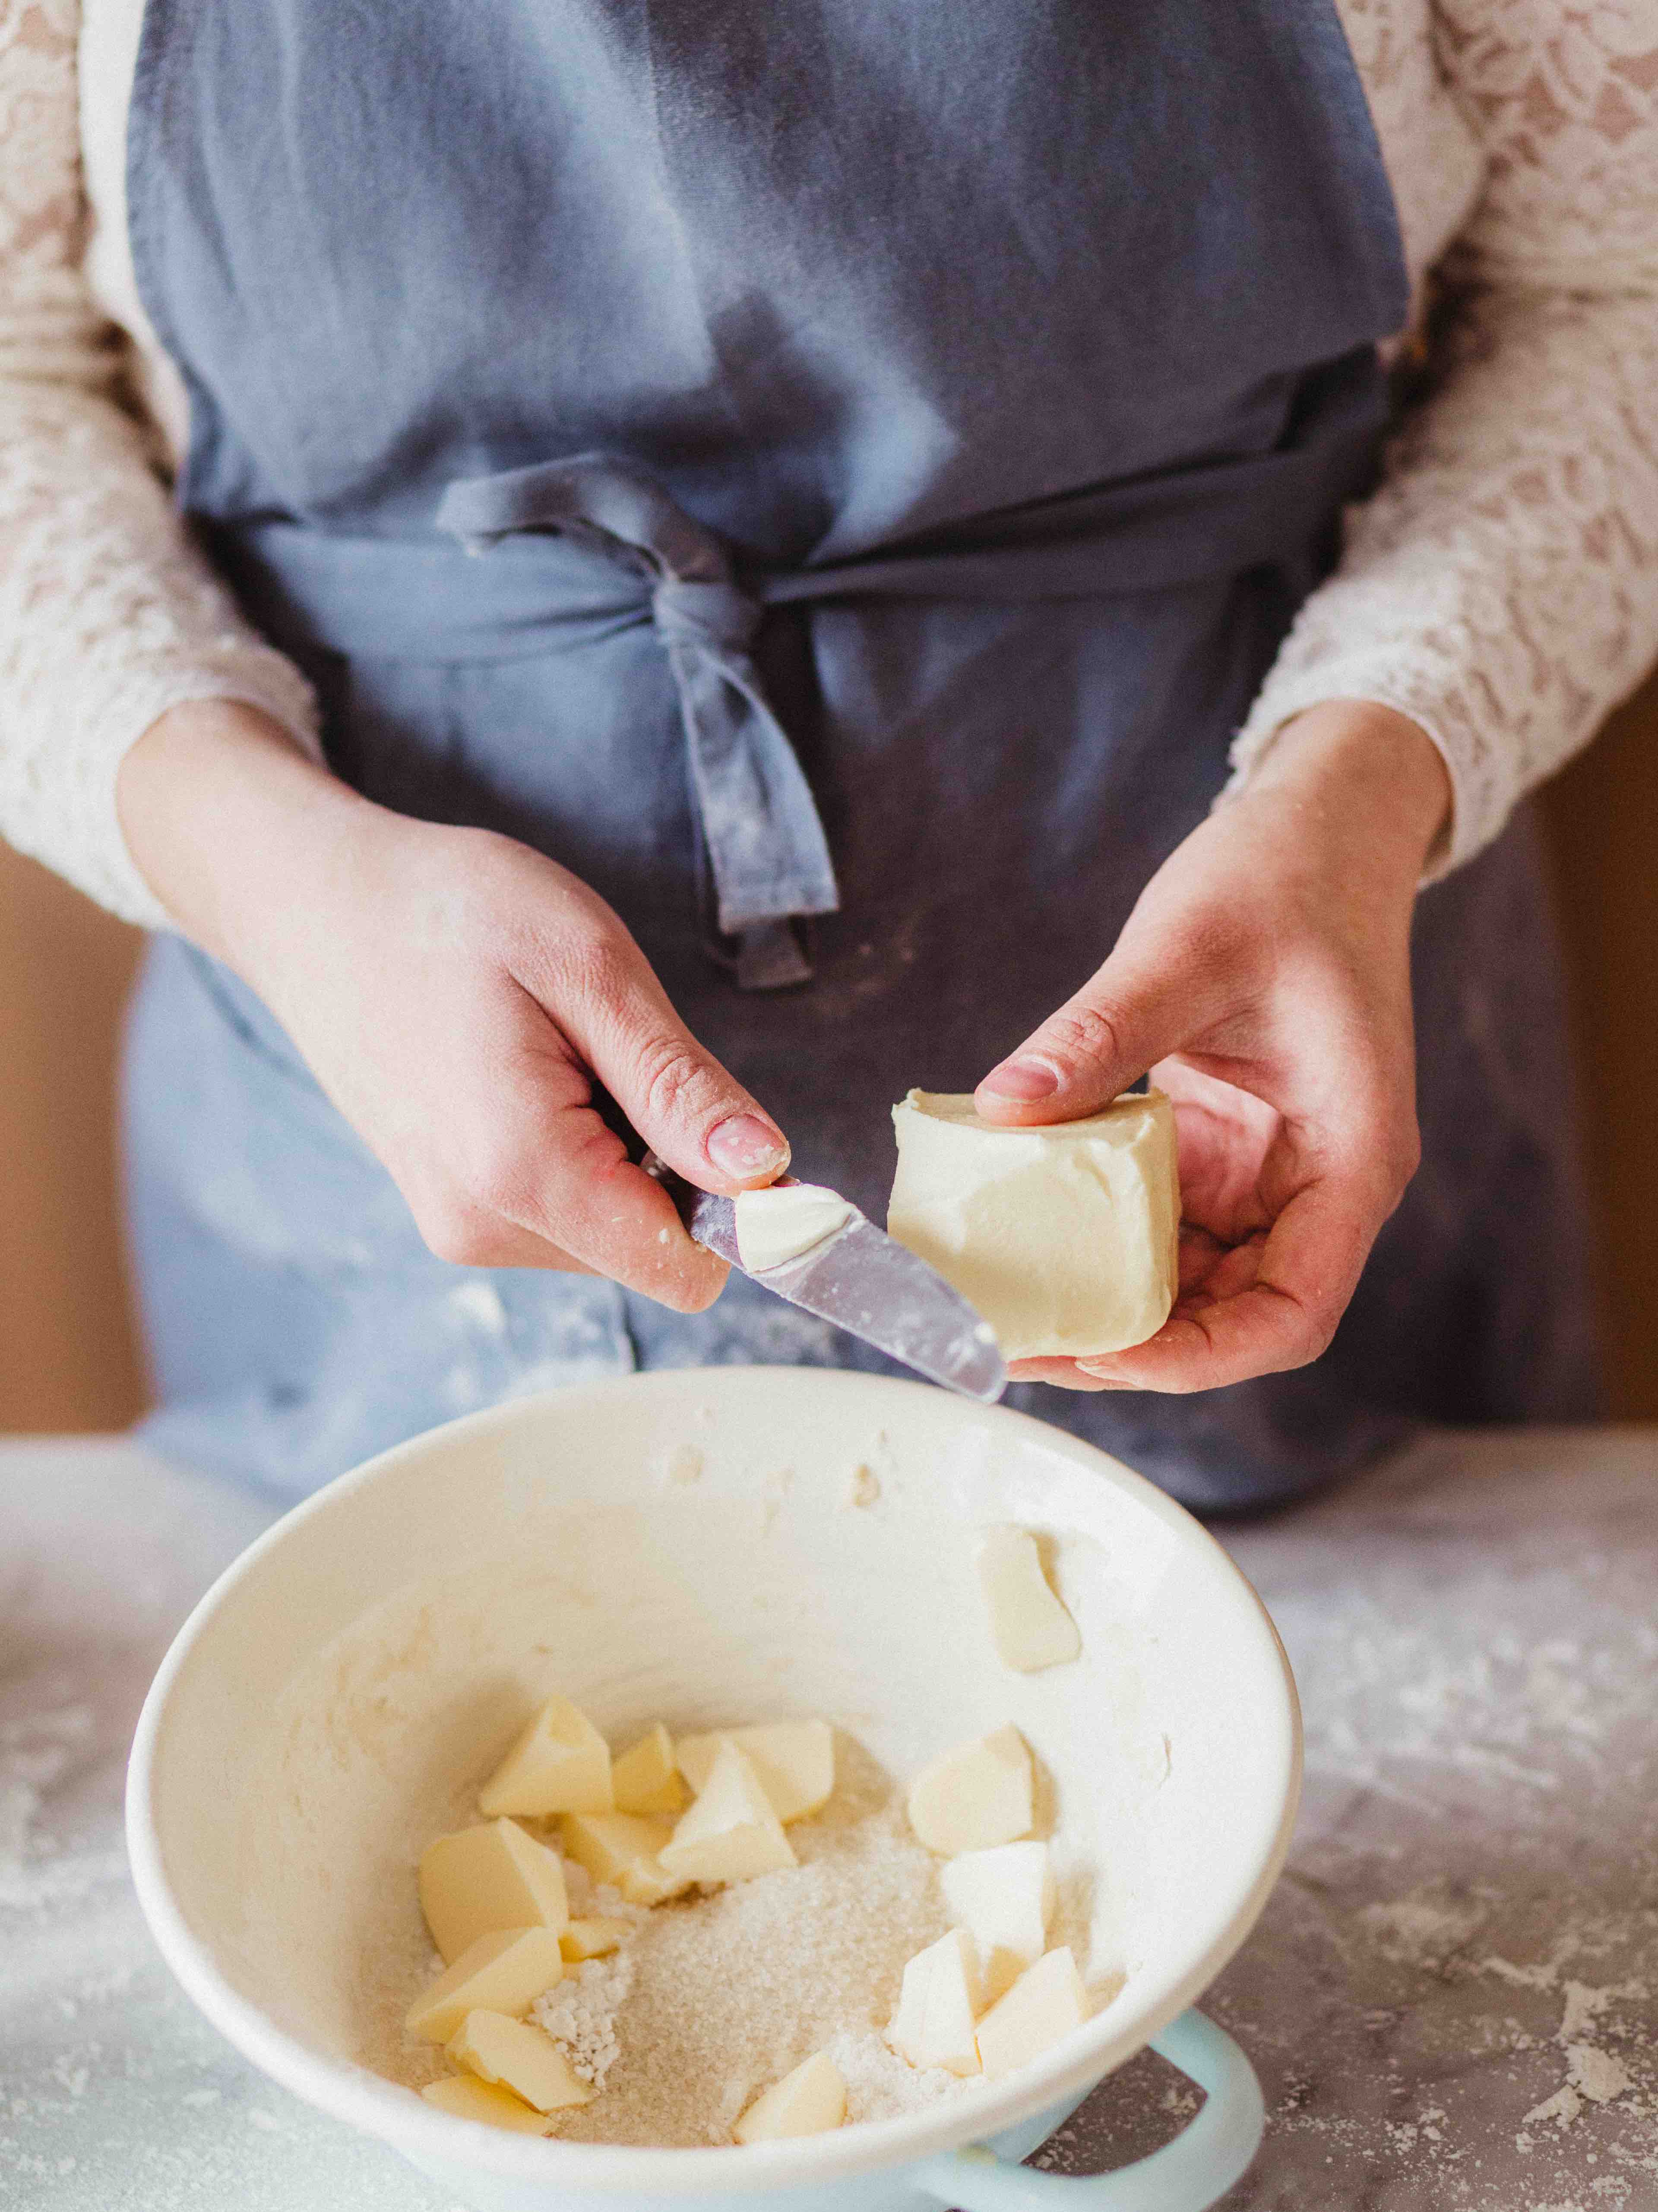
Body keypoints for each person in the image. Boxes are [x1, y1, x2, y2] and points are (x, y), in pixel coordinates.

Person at [2, 2, 1655, 1512]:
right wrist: (270, 871)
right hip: (368, 1094)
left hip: (1268, 1017)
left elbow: (1615, 294)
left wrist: (1357, 795)